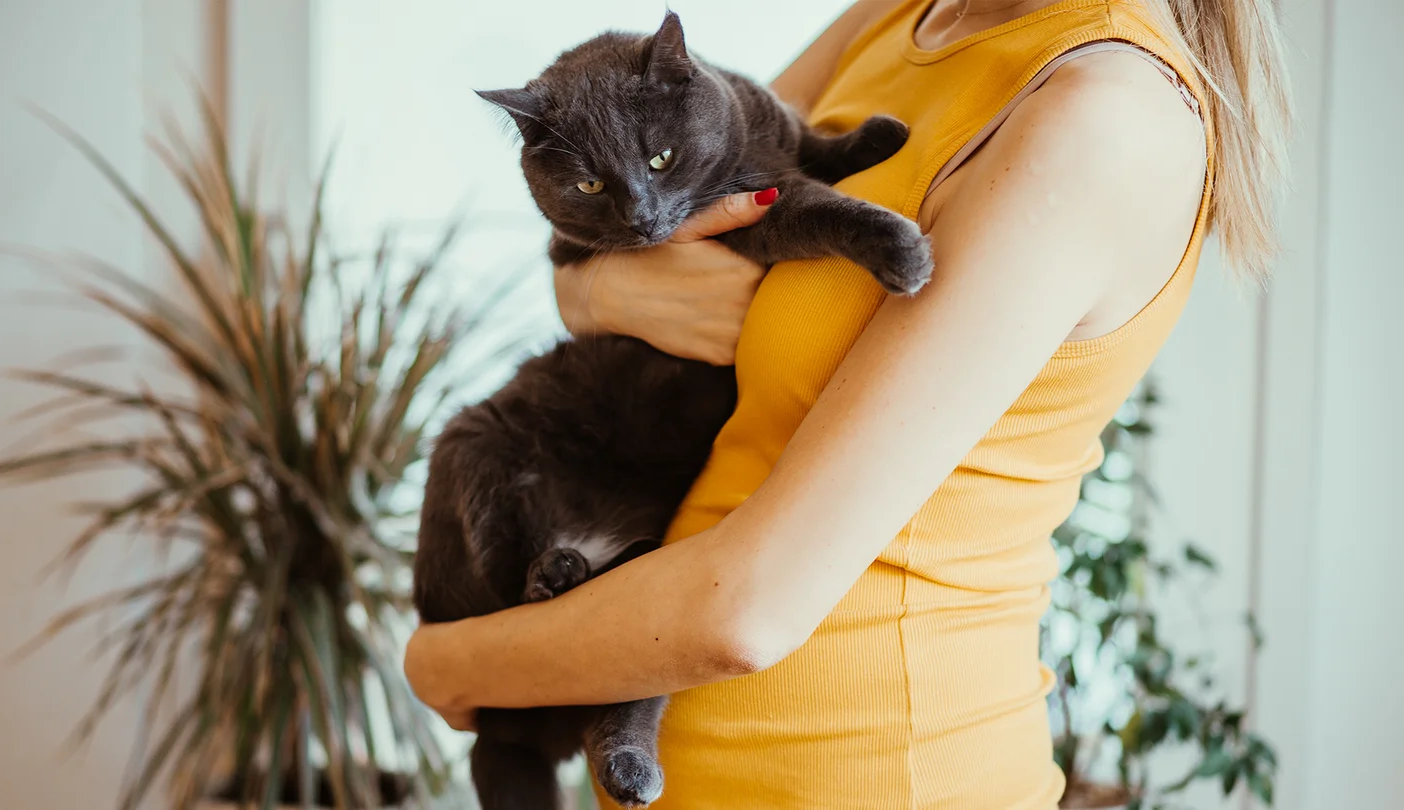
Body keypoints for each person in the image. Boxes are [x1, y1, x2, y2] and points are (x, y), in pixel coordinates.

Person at [404, 0, 1291, 806]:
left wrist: (446, 663)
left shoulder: (1101, 112)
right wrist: (588, 297)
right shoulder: (907, 14)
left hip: (859, 769)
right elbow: (680, 201)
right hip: (668, 745)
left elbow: (750, 610)